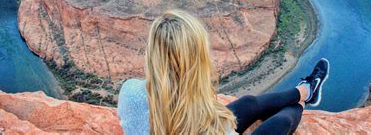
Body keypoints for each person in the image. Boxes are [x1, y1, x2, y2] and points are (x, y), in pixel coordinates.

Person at [118, 10, 330, 135]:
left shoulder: (131, 92)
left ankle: (305, 91)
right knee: (281, 122)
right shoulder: (204, 119)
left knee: (248, 102)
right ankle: (302, 101)